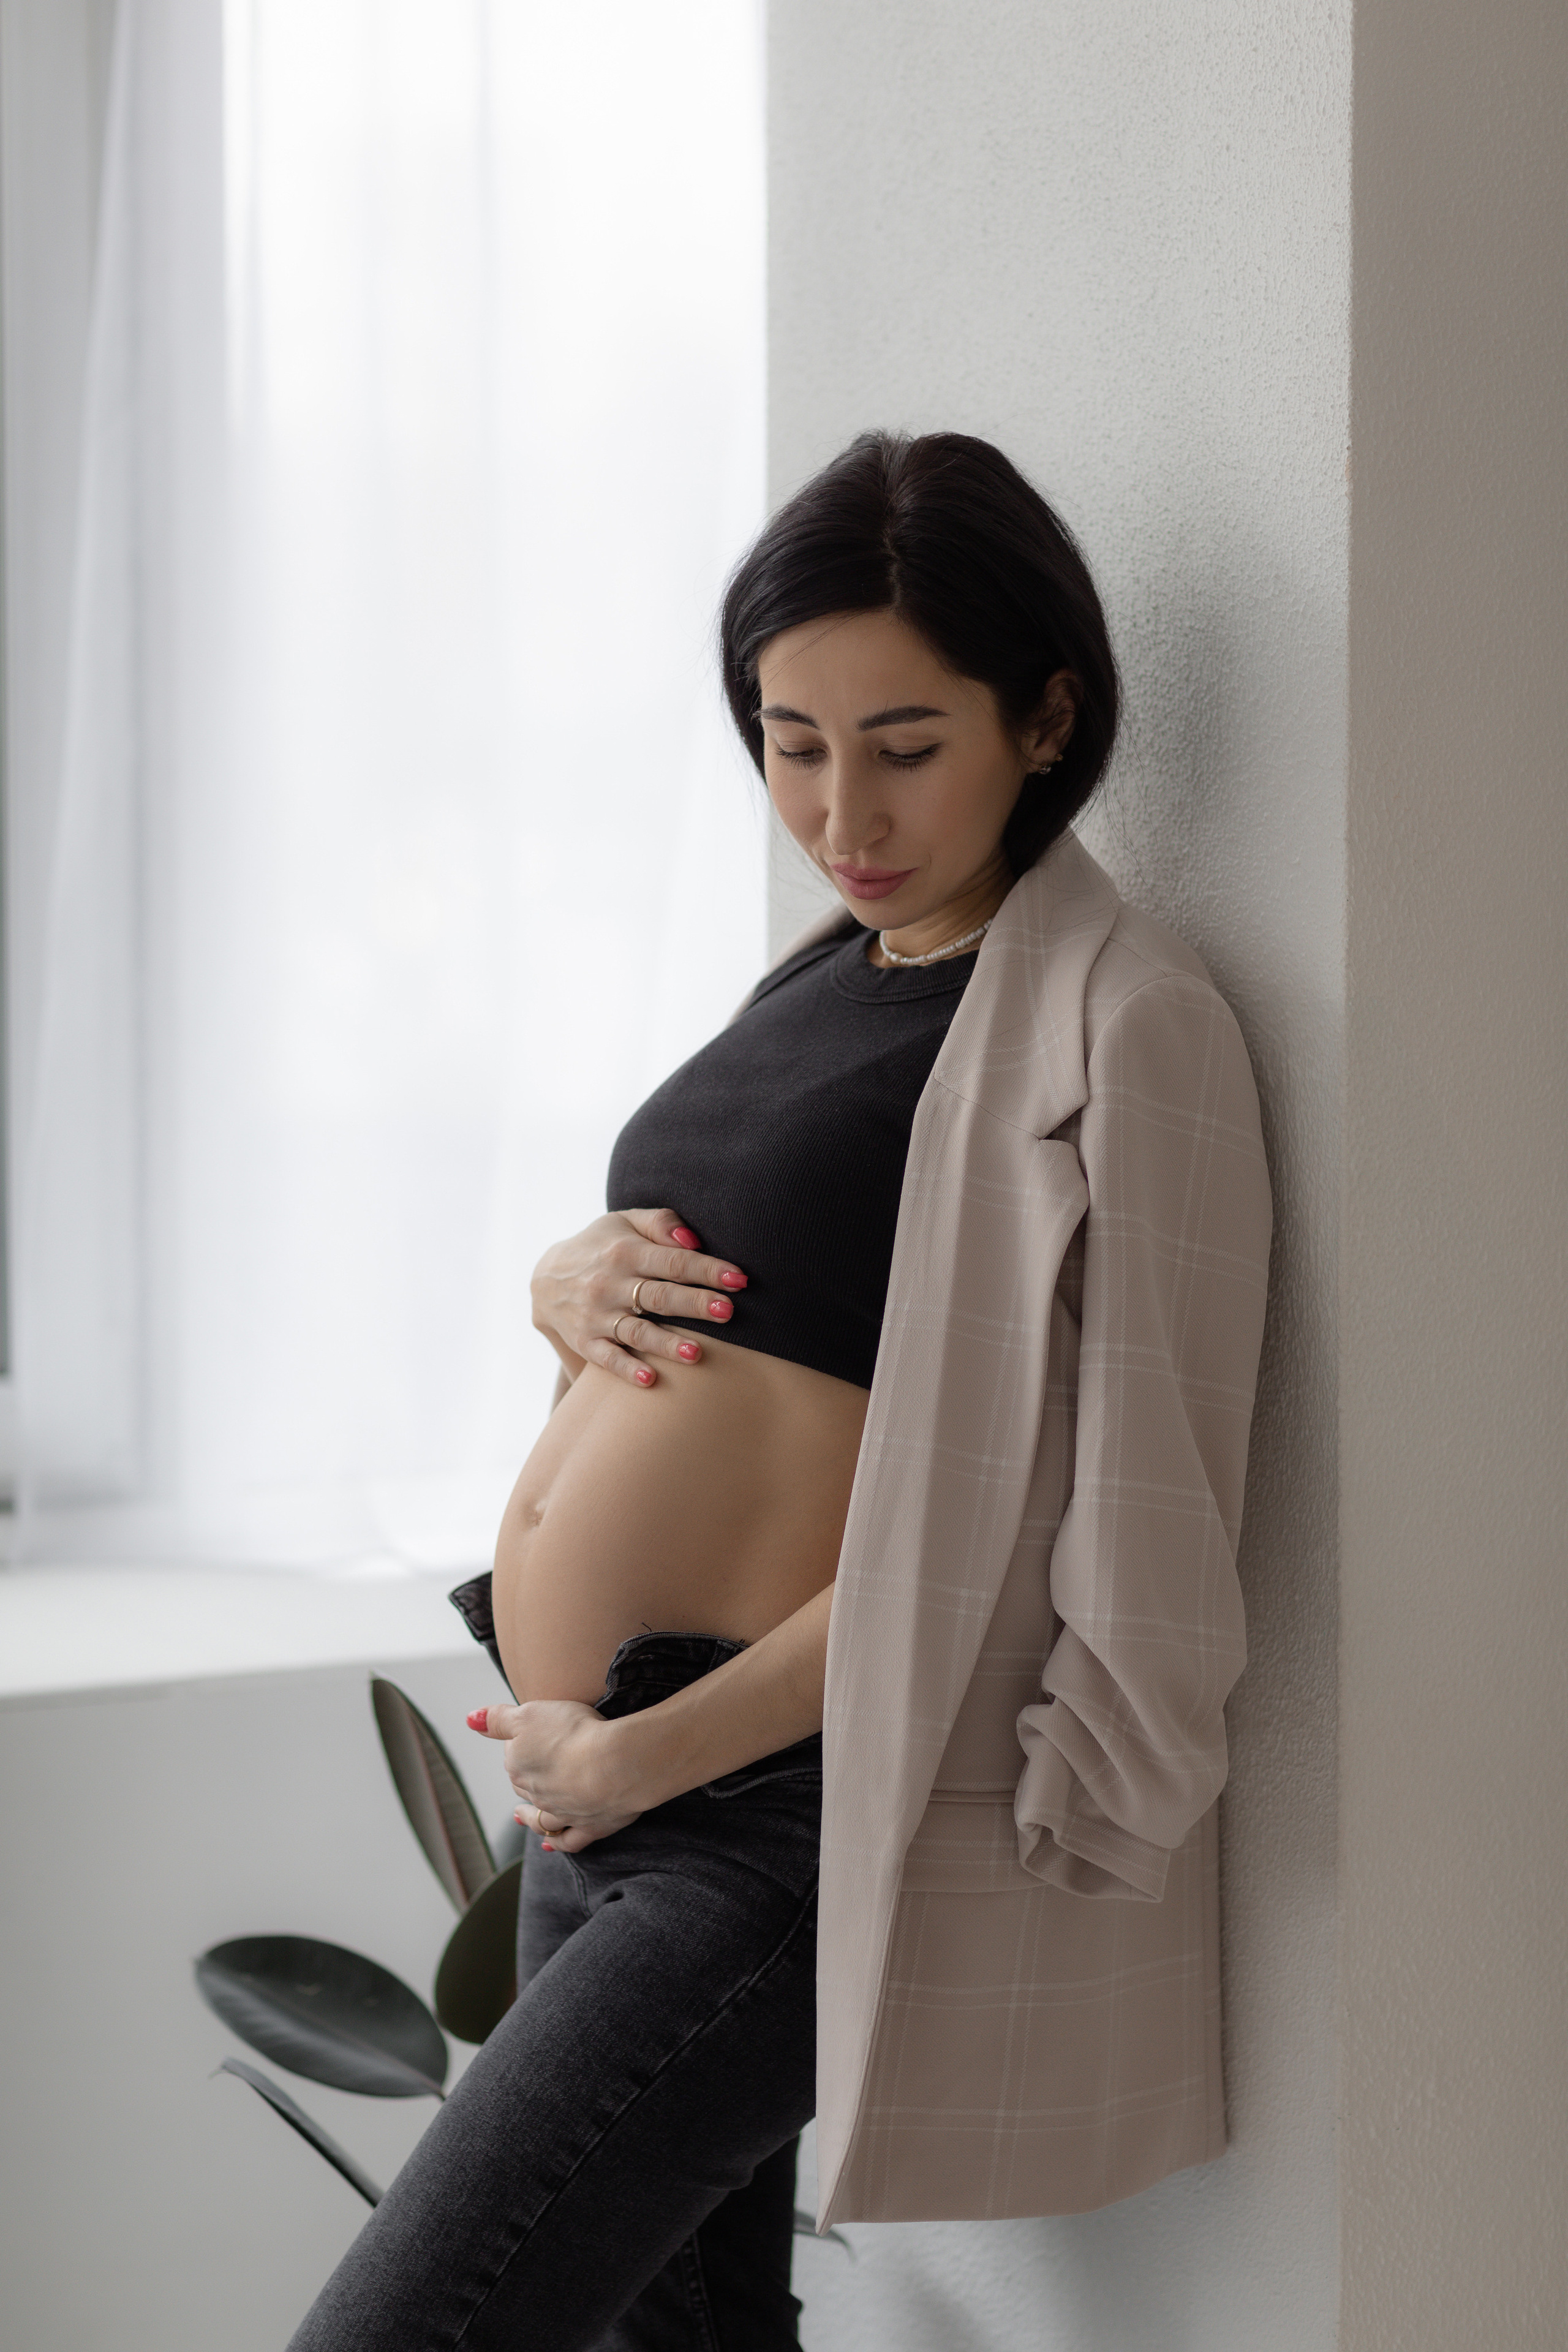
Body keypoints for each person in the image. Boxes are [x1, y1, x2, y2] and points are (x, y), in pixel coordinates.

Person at [288, 430, 1273, 2351]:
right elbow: (744, 1303)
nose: (841, 805)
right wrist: (564, 1283)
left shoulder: (1127, 1024)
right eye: (790, 740)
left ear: (1046, 715)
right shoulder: (832, 967)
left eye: (905, 743)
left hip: (778, 1817)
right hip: (602, 1791)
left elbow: (1096, 1519)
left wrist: (654, 1756)